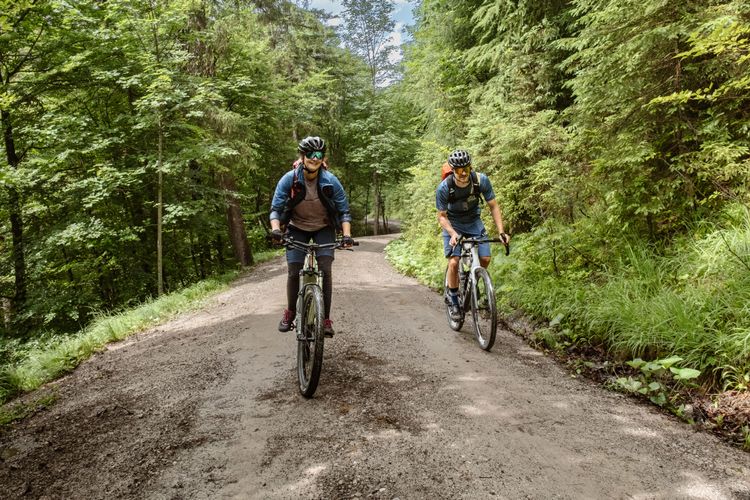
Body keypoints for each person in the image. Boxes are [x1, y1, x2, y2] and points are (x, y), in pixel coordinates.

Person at [269, 136, 353, 337]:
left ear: (322, 158)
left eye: (318, 155)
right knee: (293, 270)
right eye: (310, 155)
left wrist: (347, 235)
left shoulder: (331, 181)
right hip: (296, 227)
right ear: (302, 156)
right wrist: (276, 230)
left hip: (323, 227)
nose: (314, 159)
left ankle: (325, 319)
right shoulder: (290, 178)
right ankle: (290, 312)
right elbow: (276, 208)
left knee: (325, 268)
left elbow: (344, 211)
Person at [436, 149, 509, 320]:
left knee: (485, 259)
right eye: (458, 170)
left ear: (471, 167)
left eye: (466, 169)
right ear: (452, 170)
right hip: (453, 225)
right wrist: (453, 234)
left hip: (474, 222)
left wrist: (501, 232)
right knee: (454, 262)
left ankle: (472, 278)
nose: (462, 174)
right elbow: (442, 217)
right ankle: (454, 301)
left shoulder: (480, 180)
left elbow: (494, 206)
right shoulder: (444, 188)